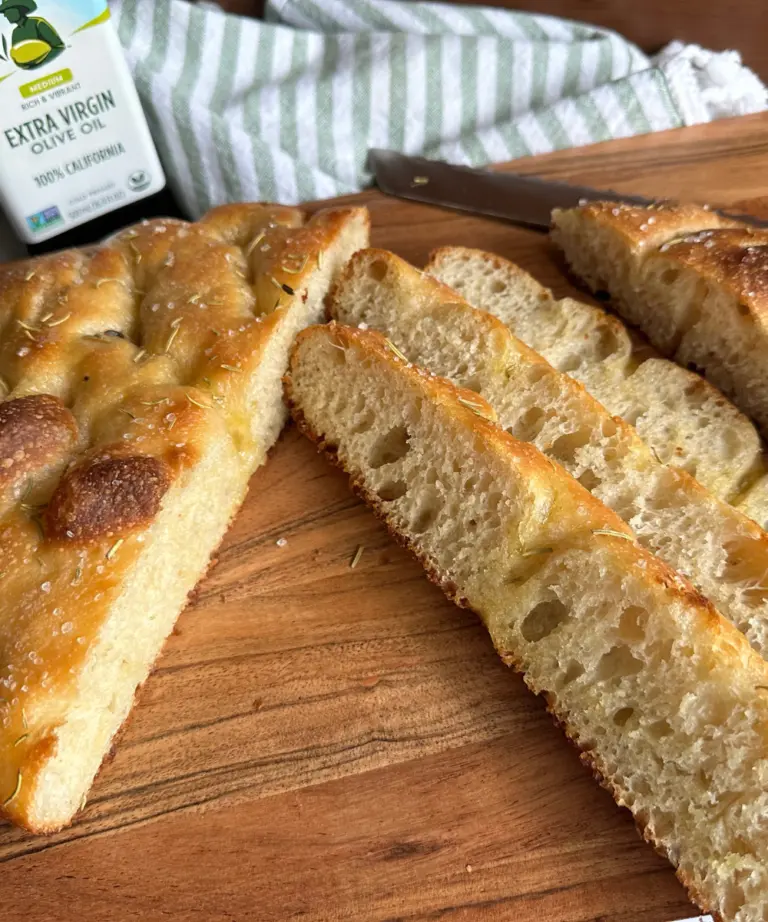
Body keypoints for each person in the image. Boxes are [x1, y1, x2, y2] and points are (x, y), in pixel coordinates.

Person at [0, 0, 64, 71]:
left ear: (18, 9)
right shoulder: (15, 33)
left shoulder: (38, 23)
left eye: (7, 10)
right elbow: (17, 57)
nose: (5, 15)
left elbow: (59, 47)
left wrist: (38, 65)